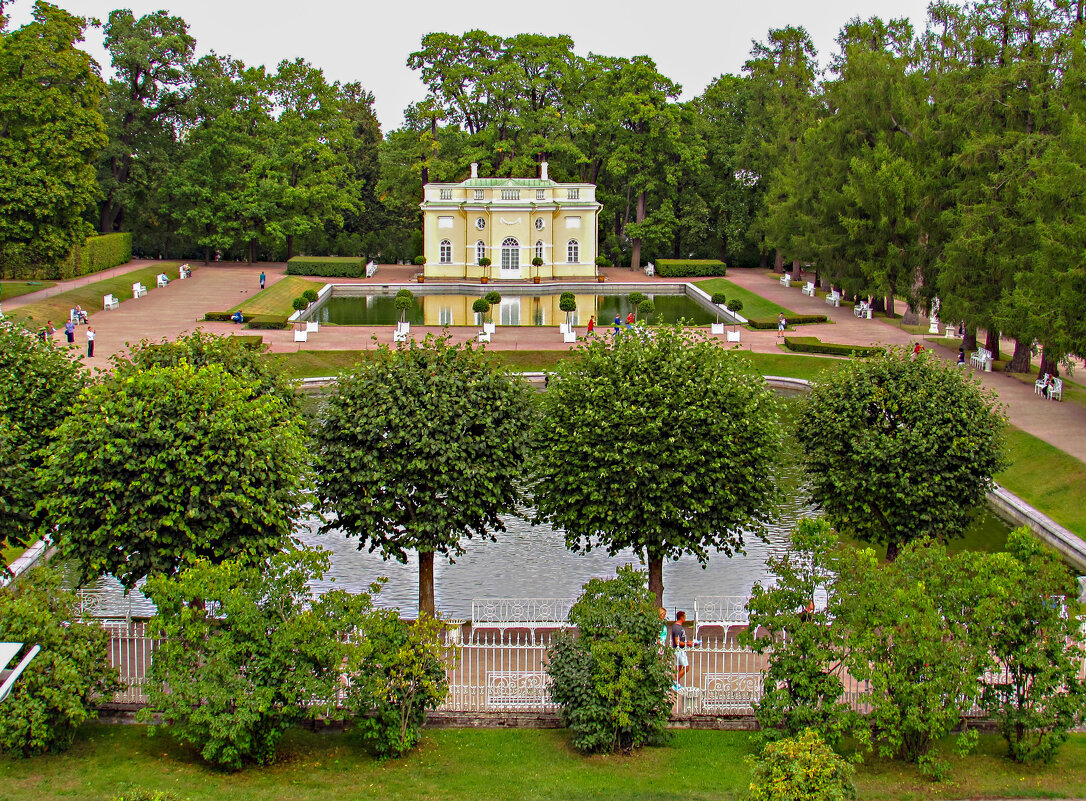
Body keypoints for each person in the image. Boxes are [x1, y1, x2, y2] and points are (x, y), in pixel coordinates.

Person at [670, 610, 690, 691]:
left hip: (680, 649)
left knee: (678, 667)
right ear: (681, 617)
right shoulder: (677, 628)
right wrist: (687, 644)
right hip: (679, 650)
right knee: (686, 667)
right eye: (685, 616)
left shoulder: (678, 626)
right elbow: (677, 641)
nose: (685, 618)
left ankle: (677, 684)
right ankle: (674, 682)